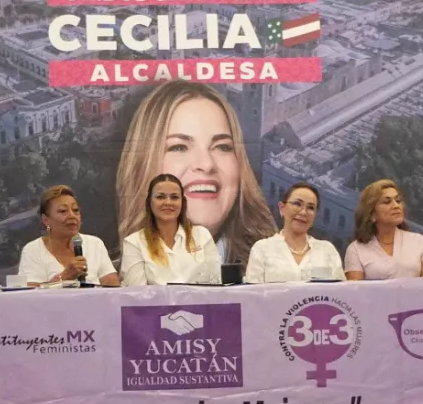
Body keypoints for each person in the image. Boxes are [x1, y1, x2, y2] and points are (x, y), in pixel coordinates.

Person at [116, 80, 276, 267]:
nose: (206, 164)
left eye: (222, 147)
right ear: (142, 164)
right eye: (179, 147)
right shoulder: (108, 280)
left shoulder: (276, 273)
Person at [120, 173, 221, 286]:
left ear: (182, 202)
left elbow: (215, 284)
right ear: (149, 202)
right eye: (160, 197)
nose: (168, 202)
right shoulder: (134, 243)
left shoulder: (202, 235)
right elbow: (136, 292)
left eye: (174, 197)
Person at [18, 185, 119, 286]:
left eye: (75, 210)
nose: (72, 216)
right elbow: (30, 292)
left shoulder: (95, 244)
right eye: (63, 211)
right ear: (46, 220)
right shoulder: (33, 250)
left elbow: (113, 288)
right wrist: (64, 277)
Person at [245, 182, 345, 283]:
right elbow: (252, 292)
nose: (303, 212)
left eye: (310, 208)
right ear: (282, 208)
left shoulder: (327, 251)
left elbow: (340, 291)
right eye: (297, 204)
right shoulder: (262, 249)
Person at [345, 179, 423, 280]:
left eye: (398, 200)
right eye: (387, 202)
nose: (396, 206)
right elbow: (356, 289)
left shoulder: (418, 241)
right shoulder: (355, 250)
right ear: (372, 214)